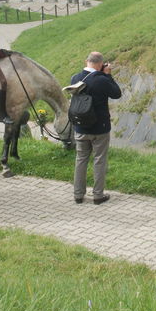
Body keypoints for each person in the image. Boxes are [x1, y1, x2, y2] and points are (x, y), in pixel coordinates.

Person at [69, 51, 122, 204]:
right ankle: (98, 195)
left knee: (81, 159)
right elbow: (117, 94)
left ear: (86, 61)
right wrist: (108, 75)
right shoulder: (102, 80)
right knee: (99, 160)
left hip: (80, 127)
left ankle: (78, 194)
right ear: (101, 64)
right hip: (100, 128)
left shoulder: (75, 78)